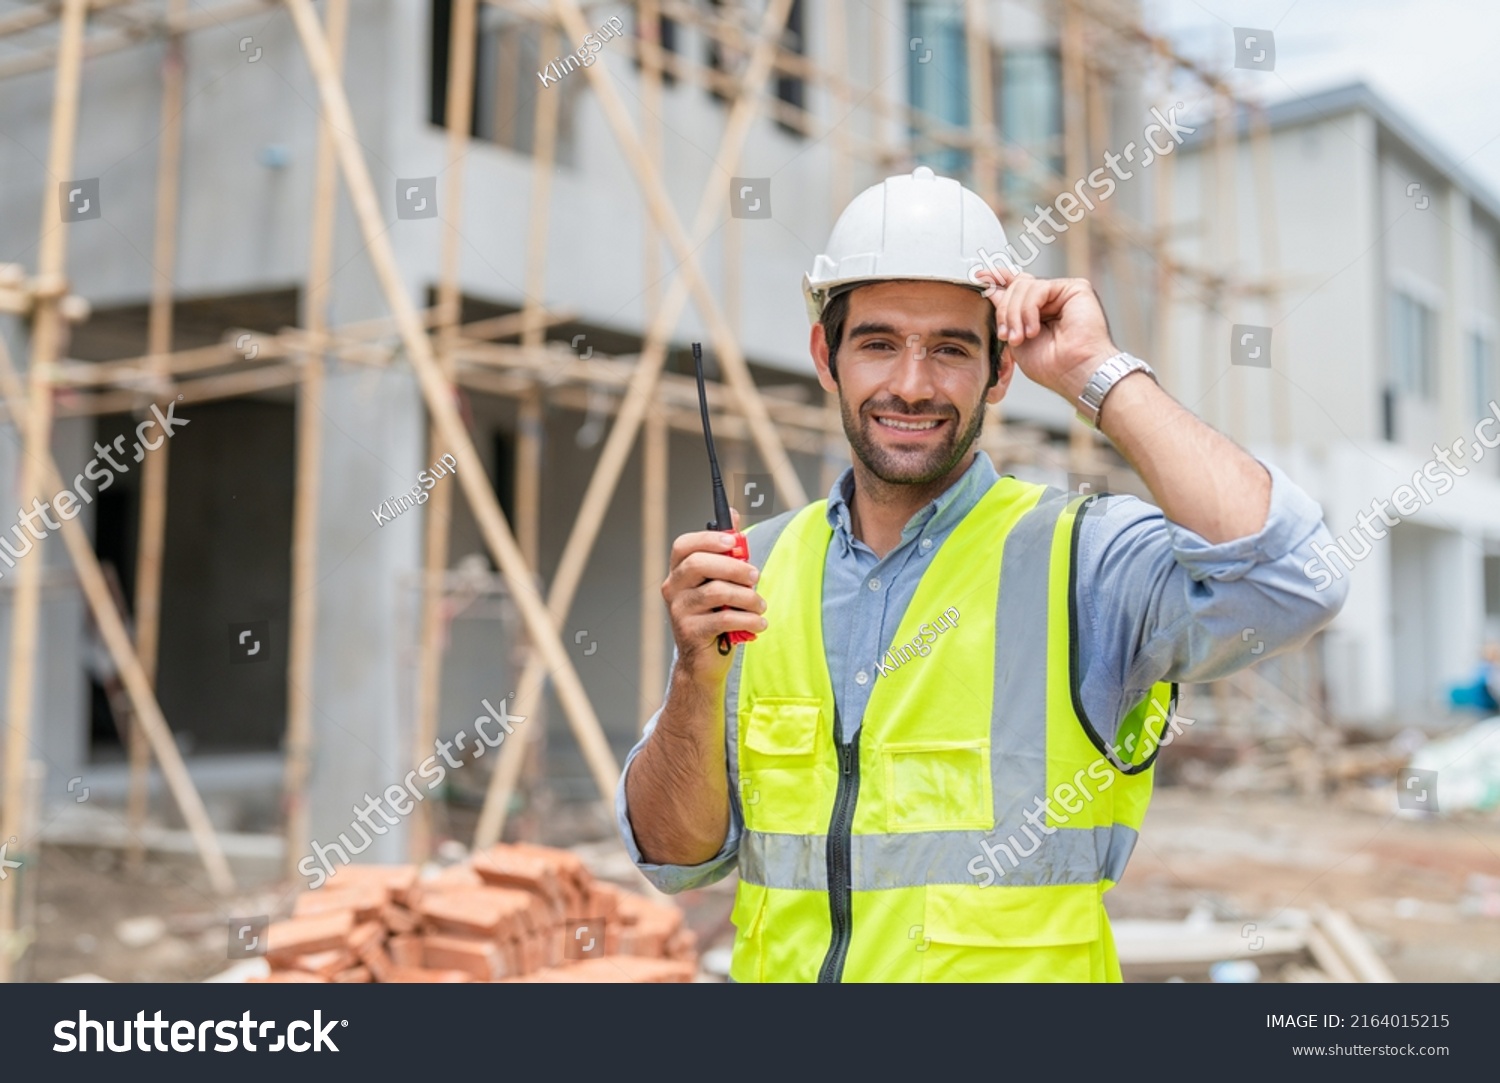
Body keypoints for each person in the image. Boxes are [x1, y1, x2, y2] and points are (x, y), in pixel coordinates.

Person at [616, 167, 1348, 982]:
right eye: (879, 342)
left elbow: (1296, 577)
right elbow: (673, 859)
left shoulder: (1084, 562)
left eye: (952, 349)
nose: (911, 383)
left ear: (1001, 371)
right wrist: (694, 678)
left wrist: (1095, 373)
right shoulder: (753, 572)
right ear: (827, 356)